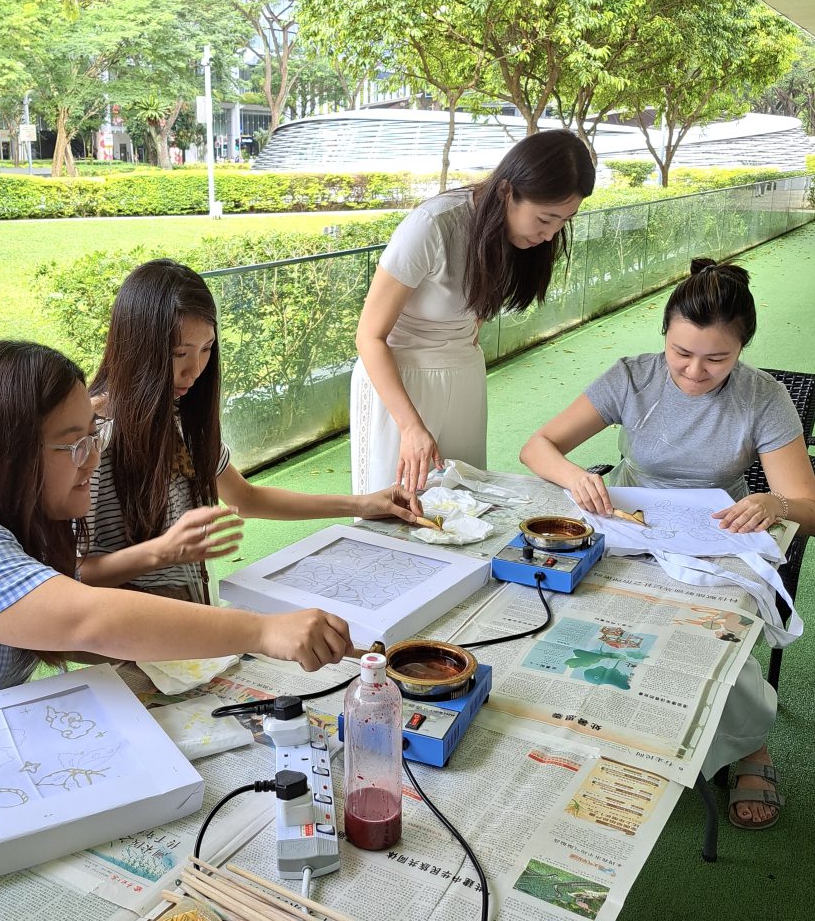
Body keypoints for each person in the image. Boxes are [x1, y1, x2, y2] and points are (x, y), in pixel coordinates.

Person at [0, 341, 354, 730]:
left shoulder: (12, 510)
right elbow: (85, 619)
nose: (92, 459)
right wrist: (263, 630)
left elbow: (67, 630)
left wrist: (207, 647)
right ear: (8, 455)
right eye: (73, 445)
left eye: (92, 435)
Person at [520, 257, 815, 829]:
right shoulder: (633, 377)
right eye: (681, 352)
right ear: (665, 336)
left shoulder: (762, 397)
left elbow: (807, 506)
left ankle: (751, 744)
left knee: (716, 634)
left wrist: (775, 504)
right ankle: (613, 724)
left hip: (722, 530)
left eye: (716, 359)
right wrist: (575, 476)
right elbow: (538, 447)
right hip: (631, 521)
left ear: (742, 348)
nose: (694, 372)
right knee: (577, 611)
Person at [80, 259, 423, 602]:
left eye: (206, 349)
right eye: (179, 353)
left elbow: (244, 497)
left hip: (188, 621)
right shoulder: (91, 439)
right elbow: (68, 573)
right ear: (137, 347)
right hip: (129, 639)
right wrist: (161, 552)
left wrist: (362, 504)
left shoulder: (178, 415)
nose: (195, 370)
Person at [351, 129, 595, 496]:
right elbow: (369, 336)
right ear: (506, 191)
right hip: (399, 383)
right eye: (545, 219)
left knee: (464, 504)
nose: (550, 234)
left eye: (564, 221)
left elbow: (472, 312)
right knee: (392, 508)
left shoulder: (515, 237)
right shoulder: (433, 225)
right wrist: (411, 427)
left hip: (463, 375)